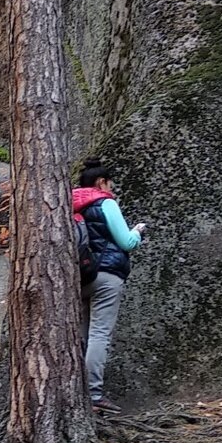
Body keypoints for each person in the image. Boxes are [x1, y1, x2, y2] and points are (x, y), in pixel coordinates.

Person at [72, 160, 145, 414]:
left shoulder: (69, 204)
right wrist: (138, 232)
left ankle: (73, 390)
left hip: (80, 277)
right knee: (99, 334)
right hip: (107, 275)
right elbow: (126, 242)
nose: (111, 188)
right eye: (110, 183)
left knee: (81, 335)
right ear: (101, 182)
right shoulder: (106, 203)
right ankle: (93, 394)